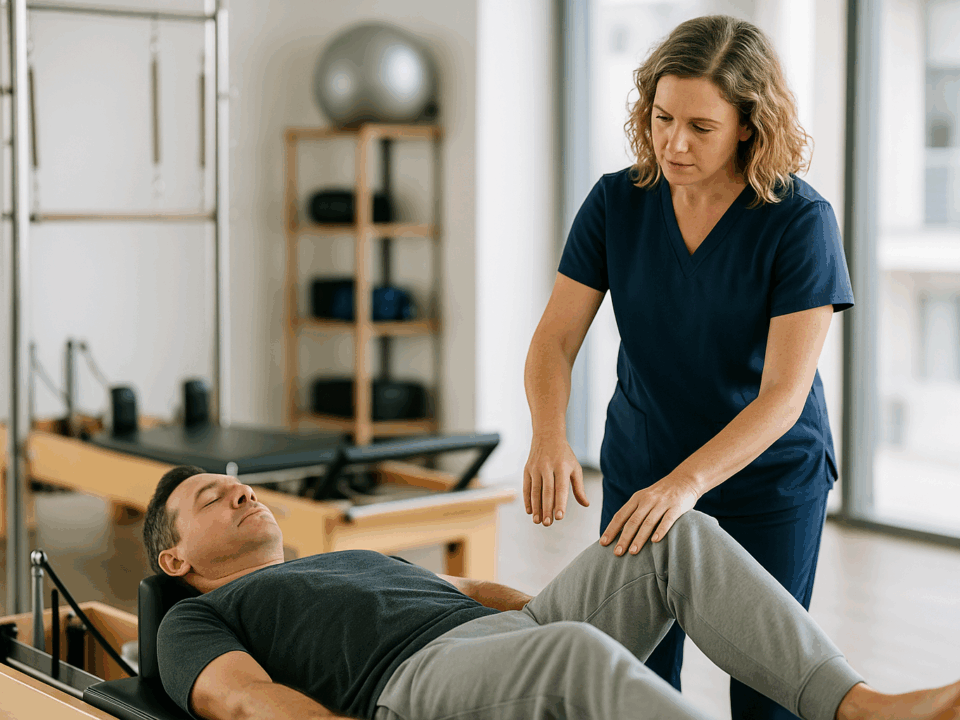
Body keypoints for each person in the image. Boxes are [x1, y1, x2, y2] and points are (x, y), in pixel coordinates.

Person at [523, 15, 853, 720]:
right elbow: (554, 339)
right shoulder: (617, 202)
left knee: (770, 696)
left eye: (700, 127)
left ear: (747, 124)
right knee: (629, 683)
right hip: (645, 463)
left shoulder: (799, 221)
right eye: (662, 117)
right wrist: (550, 434)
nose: (673, 142)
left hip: (766, 478)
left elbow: (784, 396)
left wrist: (687, 484)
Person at [144, 466, 960, 720]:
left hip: (504, 635)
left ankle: (857, 709)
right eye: (210, 500)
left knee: (671, 531)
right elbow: (244, 703)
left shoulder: (349, 555)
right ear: (175, 556)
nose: (238, 494)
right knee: (572, 652)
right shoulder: (199, 616)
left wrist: (579, 596)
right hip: (404, 689)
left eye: (238, 486)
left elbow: (471, 588)